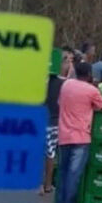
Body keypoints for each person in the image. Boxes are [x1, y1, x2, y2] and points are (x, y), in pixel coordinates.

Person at [54, 63, 102, 203]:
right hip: (80, 137)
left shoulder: (66, 85)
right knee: (73, 175)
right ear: (90, 74)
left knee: (63, 173)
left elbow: (59, 103)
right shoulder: (91, 90)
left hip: (64, 135)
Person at [41, 63, 66, 195]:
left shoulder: (39, 80)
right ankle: (48, 184)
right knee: (50, 153)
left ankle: (39, 185)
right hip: (54, 121)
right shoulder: (64, 83)